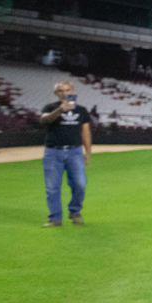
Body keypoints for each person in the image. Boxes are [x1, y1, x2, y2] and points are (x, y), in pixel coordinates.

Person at [37, 80, 92, 227]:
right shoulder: (50, 107)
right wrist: (60, 110)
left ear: (73, 91)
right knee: (52, 187)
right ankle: (55, 218)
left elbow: (85, 132)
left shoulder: (81, 110)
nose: (65, 93)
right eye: (61, 90)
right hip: (54, 152)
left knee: (80, 184)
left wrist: (88, 152)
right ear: (56, 93)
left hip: (75, 152)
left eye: (67, 90)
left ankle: (75, 211)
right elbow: (44, 120)